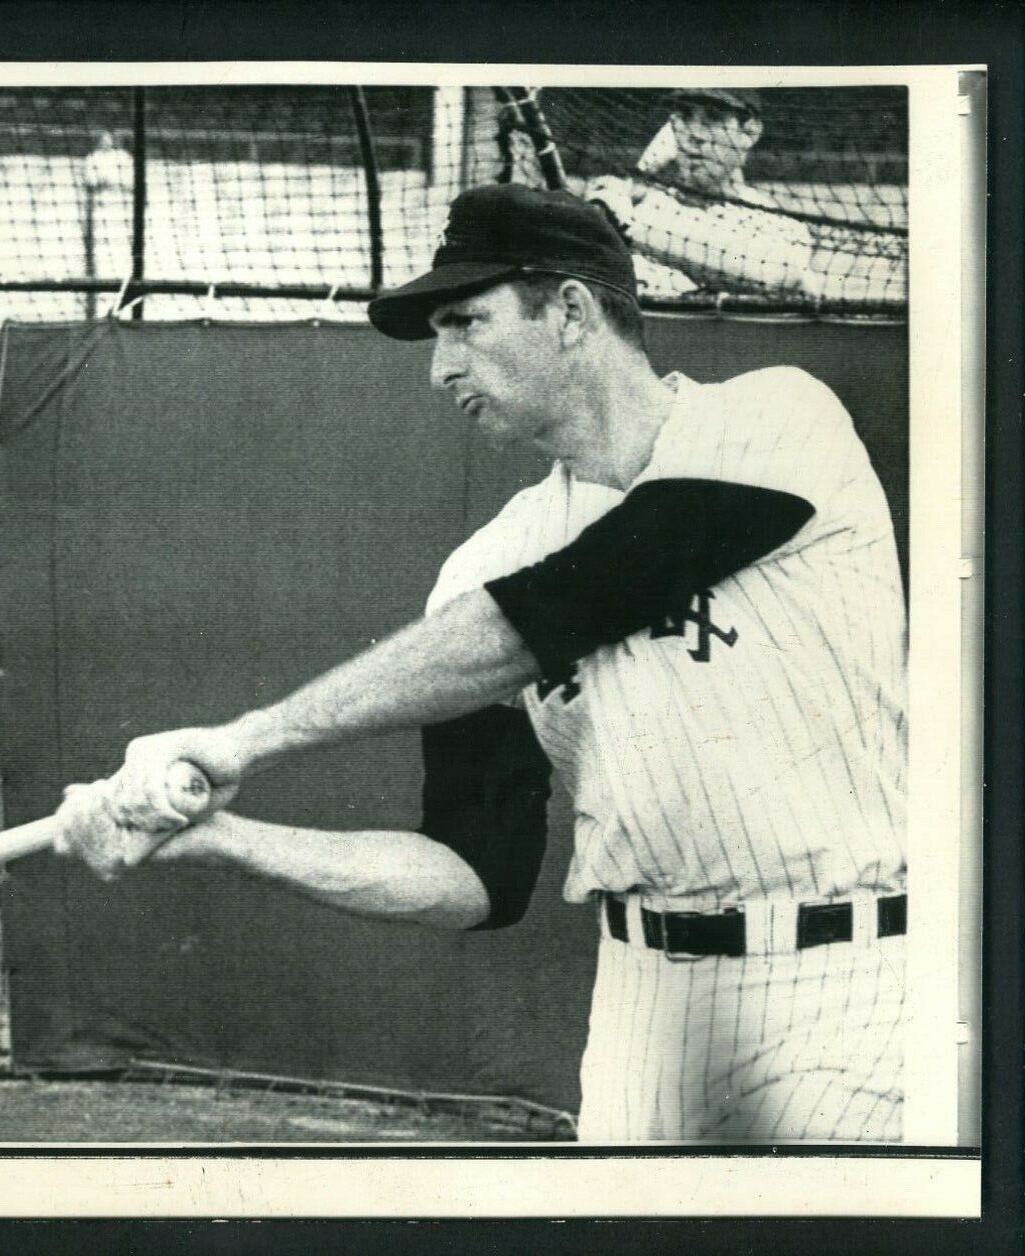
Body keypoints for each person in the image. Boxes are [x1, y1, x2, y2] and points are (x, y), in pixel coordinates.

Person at [52, 182, 908, 1143]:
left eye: (466, 323)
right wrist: (220, 837)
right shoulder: (485, 568)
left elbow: (559, 609)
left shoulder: (778, 422)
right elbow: (471, 878)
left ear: (573, 311)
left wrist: (249, 738)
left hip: (849, 977)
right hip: (644, 1004)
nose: (439, 367)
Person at [583, 88, 825, 303]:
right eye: (685, 117)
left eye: (713, 118)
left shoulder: (781, 227)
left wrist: (629, 228)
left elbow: (775, 274)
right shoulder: (635, 204)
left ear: (749, 132)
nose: (695, 135)